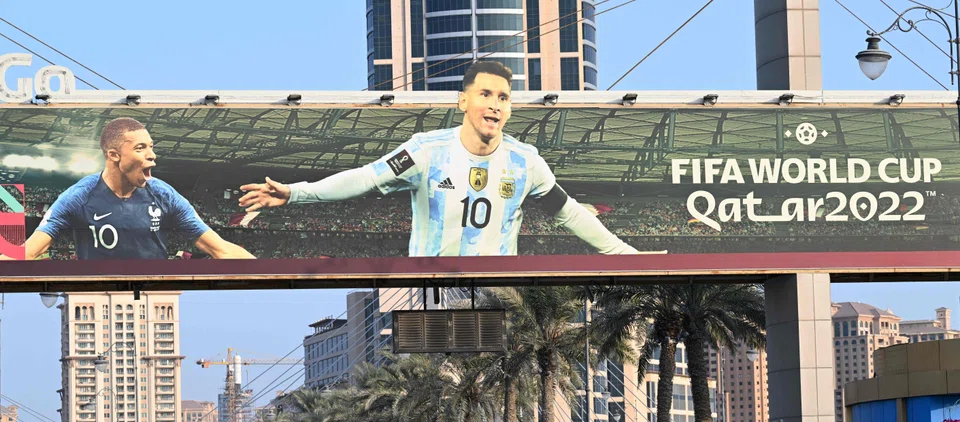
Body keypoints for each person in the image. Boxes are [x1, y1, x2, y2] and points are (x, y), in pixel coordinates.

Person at [239, 60, 661, 257]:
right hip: (431, 288)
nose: (494, 104)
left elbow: (569, 213)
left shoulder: (526, 162)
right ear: (462, 101)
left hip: (498, 293)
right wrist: (295, 193)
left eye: (503, 98)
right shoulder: (426, 151)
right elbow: (366, 177)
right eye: (485, 94)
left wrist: (627, 255)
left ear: (510, 108)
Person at [24, 117, 255, 260]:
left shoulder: (164, 195)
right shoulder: (79, 196)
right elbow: (29, 252)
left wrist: (272, 272)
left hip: (152, 298)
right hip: (98, 297)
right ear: (114, 155)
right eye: (140, 148)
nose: (152, 155)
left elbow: (221, 250)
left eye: (151, 147)